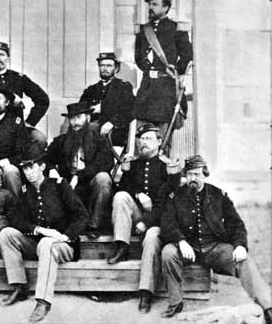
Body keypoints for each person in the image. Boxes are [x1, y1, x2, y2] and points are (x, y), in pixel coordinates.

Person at [160, 155, 272, 322]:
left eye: (197, 175)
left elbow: (236, 223)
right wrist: (181, 241)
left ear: (205, 174)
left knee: (244, 260)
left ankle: (268, 307)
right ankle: (175, 303)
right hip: (188, 249)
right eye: (189, 174)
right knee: (168, 253)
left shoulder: (218, 195)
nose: (192, 179)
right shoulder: (176, 196)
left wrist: (240, 245)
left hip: (215, 249)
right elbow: (167, 224)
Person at [0, 148, 89, 323]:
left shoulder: (59, 185)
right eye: (25, 169)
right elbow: (16, 220)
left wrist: (67, 236)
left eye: (32, 167)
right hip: (38, 244)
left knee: (47, 244)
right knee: (6, 234)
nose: (29, 172)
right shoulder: (25, 192)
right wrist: (39, 229)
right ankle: (19, 286)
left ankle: (43, 301)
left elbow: (82, 215)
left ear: (42, 166)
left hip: (63, 246)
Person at [107, 124, 181, 313]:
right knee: (121, 197)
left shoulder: (168, 167)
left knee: (151, 238)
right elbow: (121, 188)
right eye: (141, 139)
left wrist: (146, 223)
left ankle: (145, 293)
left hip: (158, 222)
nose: (143, 143)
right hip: (136, 215)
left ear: (159, 142)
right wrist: (139, 194)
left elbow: (168, 205)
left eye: (148, 139)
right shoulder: (134, 164)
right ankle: (122, 245)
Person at [44, 102, 114, 239]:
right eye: (72, 119)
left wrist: (79, 176)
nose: (75, 122)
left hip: (90, 186)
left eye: (78, 118)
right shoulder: (62, 141)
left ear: (88, 118)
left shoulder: (99, 140)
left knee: (103, 178)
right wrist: (52, 169)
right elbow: (45, 159)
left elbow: (106, 163)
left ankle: (94, 225)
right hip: (68, 187)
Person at [134, 0, 192, 145]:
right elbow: (139, 59)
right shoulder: (143, 30)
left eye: (155, 4)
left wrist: (174, 70)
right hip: (146, 88)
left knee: (163, 136)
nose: (150, 8)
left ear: (166, 8)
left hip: (165, 90)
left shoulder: (176, 29)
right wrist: (150, 71)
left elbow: (187, 57)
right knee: (143, 134)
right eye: (149, 5)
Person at [0, 41, 49, 153]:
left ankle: (26, 167)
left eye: (2, 55)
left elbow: (43, 100)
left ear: (8, 58)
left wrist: (30, 122)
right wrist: (13, 98)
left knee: (40, 139)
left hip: (17, 127)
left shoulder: (19, 78)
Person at [79, 52, 135, 146]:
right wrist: (88, 113)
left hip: (115, 130)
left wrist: (112, 122)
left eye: (109, 66)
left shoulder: (123, 88)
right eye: (102, 65)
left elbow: (129, 111)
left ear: (116, 68)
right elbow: (80, 109)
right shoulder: (91, 90)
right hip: (91, 128)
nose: (105, 69)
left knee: (89, 130)